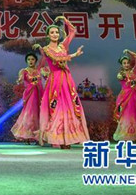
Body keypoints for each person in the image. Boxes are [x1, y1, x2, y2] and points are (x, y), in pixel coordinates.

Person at [33, 16, 89, 149]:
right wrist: (74, 55)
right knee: (57, 108)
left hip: (67, 79)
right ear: (48, 35)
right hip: (55, 81)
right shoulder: (46, 49)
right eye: (52, 32)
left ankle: (68, 137)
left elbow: (73, 31)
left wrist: (65, 20)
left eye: (57, 32)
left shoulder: (63, 46)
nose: (55, 34)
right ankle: (58, 138)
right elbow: (57, 59)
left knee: (70, 106)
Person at [10, 53, 48, 144]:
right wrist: (19, 80)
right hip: (30, 95)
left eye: (32, 59)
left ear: (35, 61)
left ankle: (39, 137)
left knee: (40, 114)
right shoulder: (24, 71)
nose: (30, 61)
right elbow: (20, 80)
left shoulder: (39, 70)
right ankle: (26, 135)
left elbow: (46, 77)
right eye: (29, 59)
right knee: (30, 114)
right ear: (26, 61)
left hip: (40, 94)